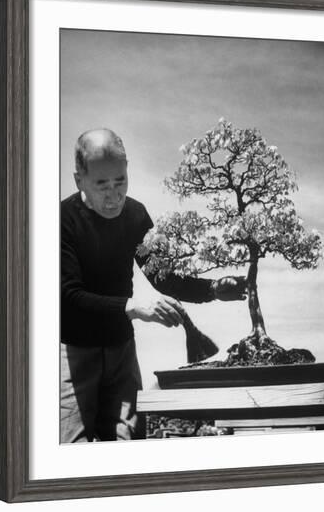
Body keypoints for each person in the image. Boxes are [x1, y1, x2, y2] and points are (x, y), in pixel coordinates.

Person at [61, 128, 247, 443]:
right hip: (75, 355)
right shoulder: (63, 219)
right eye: (101, 184)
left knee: (128, 441)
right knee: (71, 449)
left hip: (122, 353)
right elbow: (69, 295)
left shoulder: (135, 215)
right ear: (79, 179)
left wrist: (213, 288)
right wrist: (133, 308)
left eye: (120, 181)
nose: (113, 194)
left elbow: (163, 276)